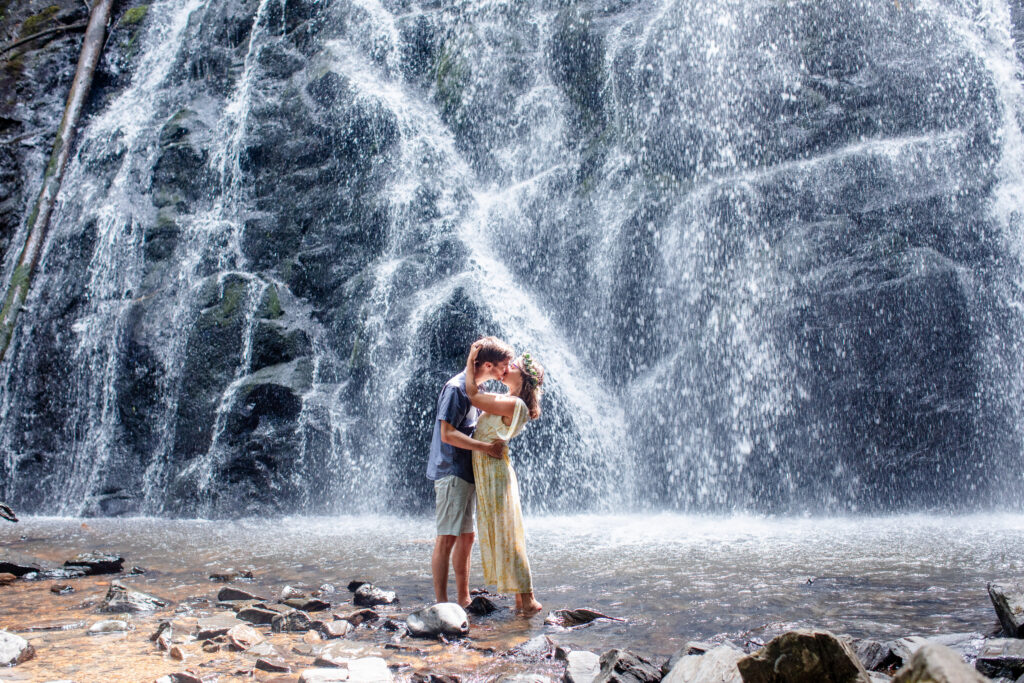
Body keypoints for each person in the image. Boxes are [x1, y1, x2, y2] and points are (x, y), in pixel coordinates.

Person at [427, 337, 514, 607]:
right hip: (451, 471)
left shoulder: (478, 387)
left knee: (467, 536)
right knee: (447, 537)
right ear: (488, 364)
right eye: (504, 366)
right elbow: (447, 433)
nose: (507, 371)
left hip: (466, 472)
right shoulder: (456, 389)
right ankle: (442, 603)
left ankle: (463, 598)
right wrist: (485, 448)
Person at [465, 341, 545, 615]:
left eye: (512, 367)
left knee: (509, 534)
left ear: (522, 377)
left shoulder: (514, 403)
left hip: (495, 471)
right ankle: (521, 601)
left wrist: (470, 361)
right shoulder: (513, 401)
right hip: (490, 468)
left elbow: (473, 397)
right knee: (505, 532)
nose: (505, 368)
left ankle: (530, 598)